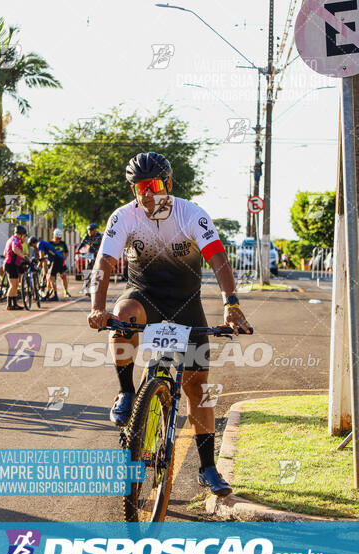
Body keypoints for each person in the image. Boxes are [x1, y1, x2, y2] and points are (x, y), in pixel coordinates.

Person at [87, 152, 252, 497]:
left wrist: (231, 304)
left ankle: (208, 468)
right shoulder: (124, 217)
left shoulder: (191, 214)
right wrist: (98, 307)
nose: (147, 194)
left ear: (168, 185)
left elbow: (218, 258)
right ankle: (127, 391)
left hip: (186, 304)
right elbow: (104, 262)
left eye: (154, 186)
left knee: (198, 389)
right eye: (140, 188)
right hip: (144, 297)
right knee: (123, 316)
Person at [28, 236, 63, 302]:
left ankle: (55, 296)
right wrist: (44, 271)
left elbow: (42, 257)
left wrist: (37, 267)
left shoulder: (39, 244)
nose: (33, 247)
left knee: (51, 277)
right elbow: (44, 261)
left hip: (57, 259)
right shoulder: (42, 242)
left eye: (32, 245)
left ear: (33, 243)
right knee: (48, 277)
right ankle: (47, 295)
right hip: (57, 259)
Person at [3, 225, 29, 311]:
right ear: (20, 235)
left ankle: (14, 304)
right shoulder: (15, 239)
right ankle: (9, 304)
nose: (24, 238)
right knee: (13, 285)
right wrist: (23, 256)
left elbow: (4, 253)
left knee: (16, 284)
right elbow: (14, 248)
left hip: (11, 264)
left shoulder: (10, 239)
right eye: (24, 236)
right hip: (10, 264)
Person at [51, 228, 71, 297]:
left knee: (64, 276)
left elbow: (67, 252)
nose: (58, 240)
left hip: (61, 262)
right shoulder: (50, 243)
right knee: (51, 277)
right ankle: (53, 293)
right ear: (53, 236)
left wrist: (64, 259)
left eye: (59, 238)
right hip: (52, 263)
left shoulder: (62, 243)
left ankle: (65, 291)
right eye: (57, 238)